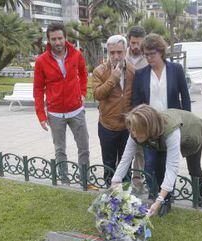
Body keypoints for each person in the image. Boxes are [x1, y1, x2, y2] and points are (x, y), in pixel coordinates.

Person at [111, 105, 202, 216]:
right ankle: (166, 201)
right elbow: (126, 158)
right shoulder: (136, 130)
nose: (134, 135)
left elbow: (172, 167)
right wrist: (115, 181)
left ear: (148, 127)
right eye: (132, 130)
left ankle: (199, 199)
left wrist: (158, 200)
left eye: (137, 131)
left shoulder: (171, 131)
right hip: (159, 134)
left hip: (191, 131)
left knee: (194, 168)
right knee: (159, 167)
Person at [131, 33, 191, 197]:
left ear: (161, 51)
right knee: (149, 164)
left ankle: (166, 198)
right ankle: (153, 194)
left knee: (167, 164)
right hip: (149, 127)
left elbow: (185, 97)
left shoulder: (176, 70)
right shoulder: (141, 73)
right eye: (146, 54)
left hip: (171, 125)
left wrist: (185, 121)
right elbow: (136, 102)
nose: (149, 58)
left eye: (152, 54)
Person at [33, 22, 90, 185]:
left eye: (60, 38)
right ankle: (64, 181)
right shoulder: (41, 61)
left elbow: (83, 74)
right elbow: (38, 89)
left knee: (84, 147)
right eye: (53, 39)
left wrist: (83, 93)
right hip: (55, 113)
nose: (57, 42)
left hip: (76, 110)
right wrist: (41, 115)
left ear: (65, 38)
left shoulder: (76, 54)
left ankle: (84, 179)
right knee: (60, 150)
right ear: (48, 41)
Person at [93, 35, 135, 186]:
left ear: (125, 51)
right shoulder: (100, 71)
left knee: (126, 163)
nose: (116, 56)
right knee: (109, 163)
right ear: (108, 53)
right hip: (107, 126)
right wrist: (113, 78)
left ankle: (127, 194)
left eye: (119, 52)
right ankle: (110, 194)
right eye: (112, 53)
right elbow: (98, 94)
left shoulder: (133, 70)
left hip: (127, 126)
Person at [125, 26, 148, 185]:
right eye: (133, 43)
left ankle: (137, 178)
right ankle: (122, 176)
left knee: (140, 145)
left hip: (140, 108)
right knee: (123, 145)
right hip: (122, 108)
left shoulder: (148, 58)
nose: (135, 47)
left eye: (138, 43)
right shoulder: (120, 54)